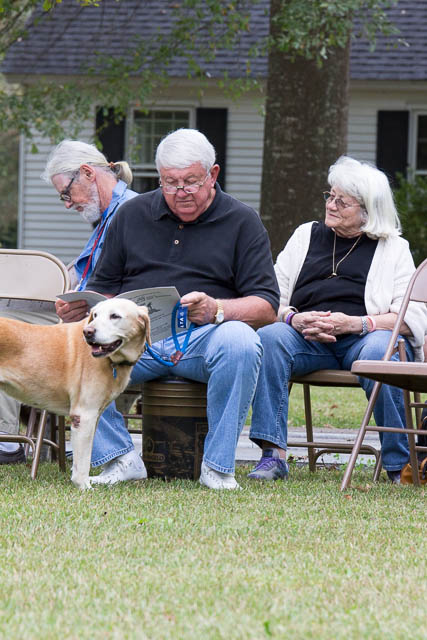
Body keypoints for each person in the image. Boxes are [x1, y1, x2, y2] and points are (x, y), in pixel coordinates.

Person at [59, 128, 280, 489]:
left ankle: (217, 467)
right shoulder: (131, 214)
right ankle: (121, 458)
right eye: (169, 182)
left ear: (213, 175)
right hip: (135, 341)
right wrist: (82, 305)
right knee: (75, 347)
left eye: (190, 182)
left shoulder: (243, 221)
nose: (180, 193)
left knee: (241, 341)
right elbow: (104, 285)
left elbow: (266, 305)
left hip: (204, 339)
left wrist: (216, 309)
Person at [247, 155, 427, 485]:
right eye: (330, 196)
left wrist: (358, 323)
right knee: (270, 338)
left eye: (341, 201)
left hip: (363, 337)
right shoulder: (306, 235)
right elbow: (270, 296)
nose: (330, 205)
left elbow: (411, 315)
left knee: (380, 351)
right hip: (305, 338)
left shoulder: (393, 248)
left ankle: (400, 467)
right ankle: (273, 455)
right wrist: (293, 319)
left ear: (367, 211)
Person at [0, 140, 146, 484]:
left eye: (67, 194)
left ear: (87, 174)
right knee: (9, 306)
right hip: (86, 317)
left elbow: (137, 282)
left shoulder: (132, 212)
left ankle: (7, 439)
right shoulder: (109, 214)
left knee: (9, 318)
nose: (68, 205)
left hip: (111, 327)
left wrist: (88, 301)